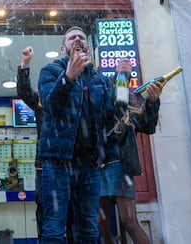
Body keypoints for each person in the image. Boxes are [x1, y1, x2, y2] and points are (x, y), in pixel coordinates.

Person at [37, 26, 129, 243]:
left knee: (89, 228)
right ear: (63, 47)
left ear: (87, 46)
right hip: (58, 163)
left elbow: (117, 112)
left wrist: (122, 79)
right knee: (53, 229)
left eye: (81, 37)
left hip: (90, 166)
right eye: (72, 37)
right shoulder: (50, 71)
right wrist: (68, 78)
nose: (77, 39)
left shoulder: (99, 79)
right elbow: (50, 106)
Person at [99, 79, 163, 244]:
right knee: (102, 224)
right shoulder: (98, 102)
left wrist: (153, 102)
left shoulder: (128, 107)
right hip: (98, 166)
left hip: (120, 165)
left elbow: (148, 126)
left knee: (128, 220)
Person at [17, 46, 44, 241]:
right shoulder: (42, 103)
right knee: (44, 211)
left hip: (73, 166)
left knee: (74, 216)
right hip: (44, 165)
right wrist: (25, 65)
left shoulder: (74, 100)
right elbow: (24, 91)